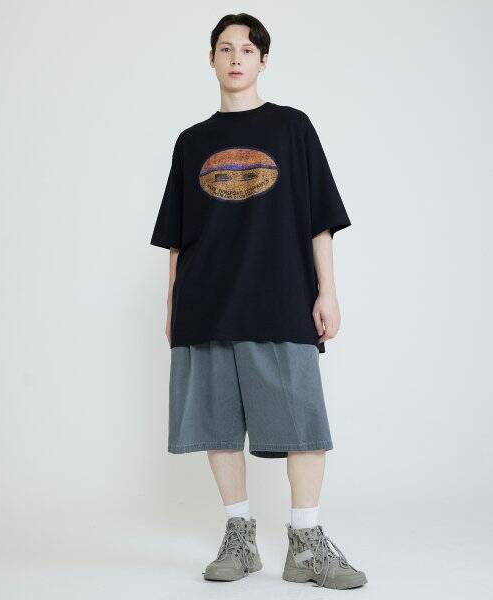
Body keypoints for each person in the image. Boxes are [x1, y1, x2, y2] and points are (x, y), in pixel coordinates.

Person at [150, 12, 367, 589]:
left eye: (247, 49)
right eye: (225, 49)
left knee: (303, 420)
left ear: (263, 61)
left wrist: (327, 290)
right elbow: (176, 234)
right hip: (207, 299)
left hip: (281, 295)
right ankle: (239, 538)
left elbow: (319, 218)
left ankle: (307, 545)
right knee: (217, 425)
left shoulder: (293, 127)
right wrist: (172, 303)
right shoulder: (191, 142)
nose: (236, 58)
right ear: (211, 59)